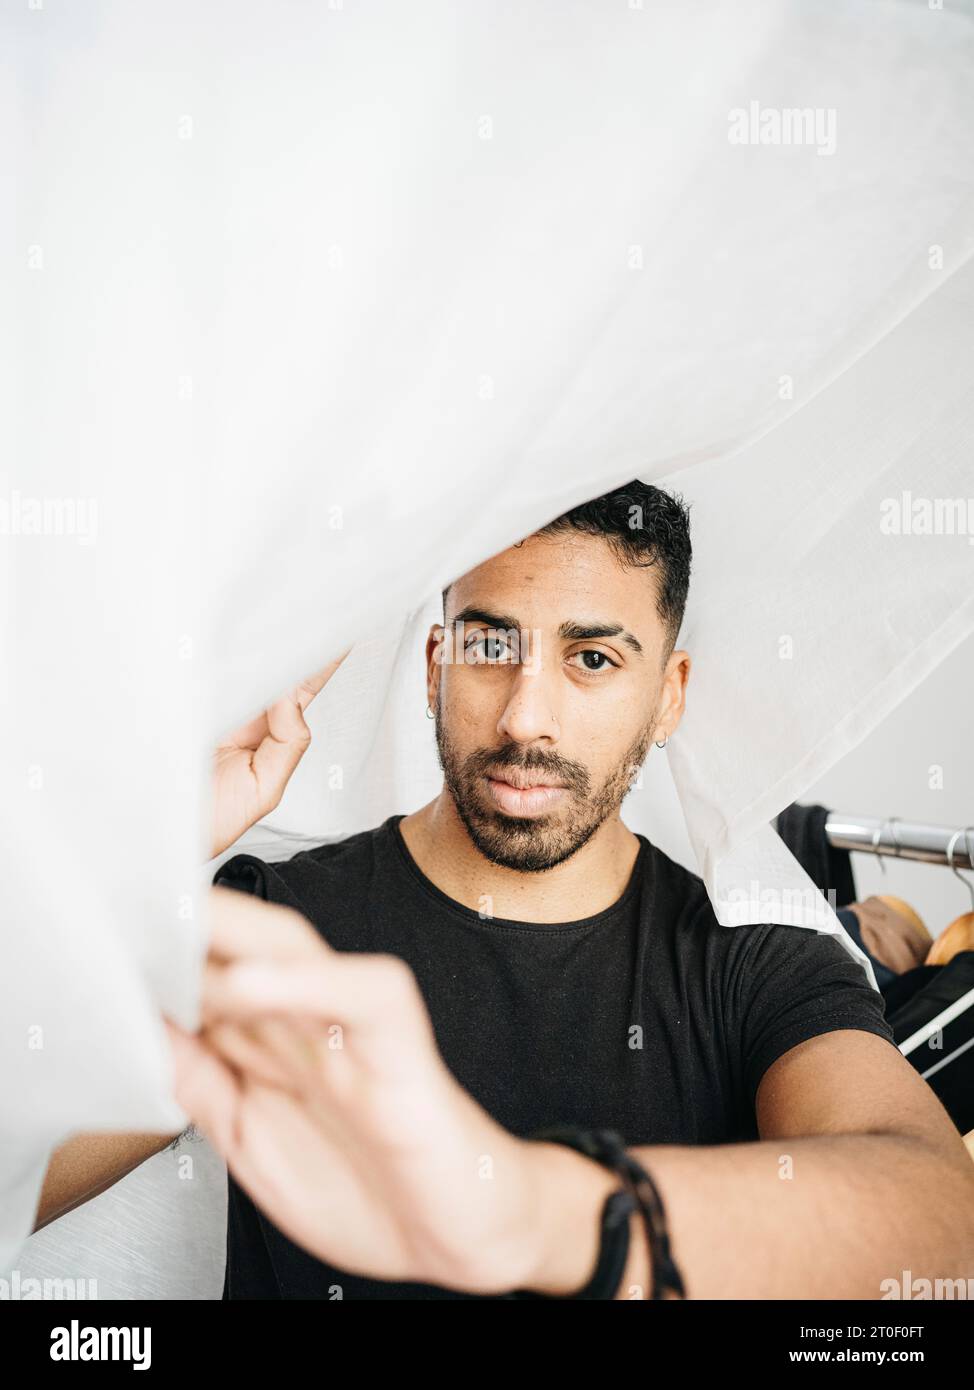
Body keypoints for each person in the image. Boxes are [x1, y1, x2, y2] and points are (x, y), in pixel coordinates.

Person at [34, 481, 974, 1299]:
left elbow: (941, 1231)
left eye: (592, 658)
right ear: (436, 667)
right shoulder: (272, 926)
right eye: (490, 648)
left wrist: (520, 1209)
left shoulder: (754, 962)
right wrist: (130, 863)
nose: (528, 715)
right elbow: (19, 1174)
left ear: (669, 695)